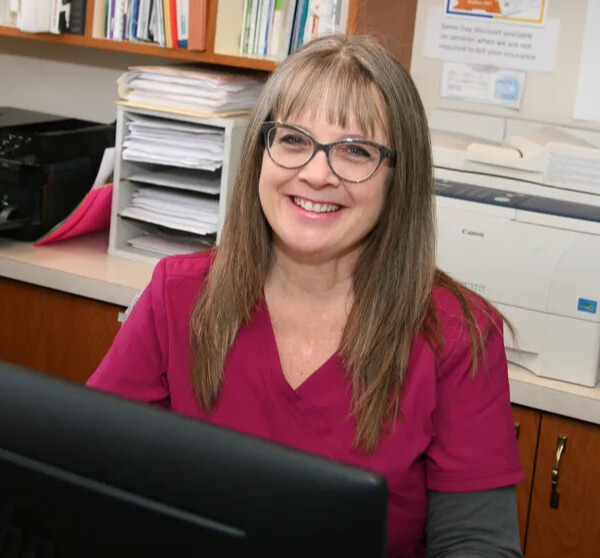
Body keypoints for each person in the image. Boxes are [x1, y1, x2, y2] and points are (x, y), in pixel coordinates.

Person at [87, 34, 524, 557]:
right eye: (293, 140)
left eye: (355, 151)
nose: (317, 174)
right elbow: (86, 475)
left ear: (396, 179)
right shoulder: (177, 295)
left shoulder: (457, 336)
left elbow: (476, 546)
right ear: (260, 153)